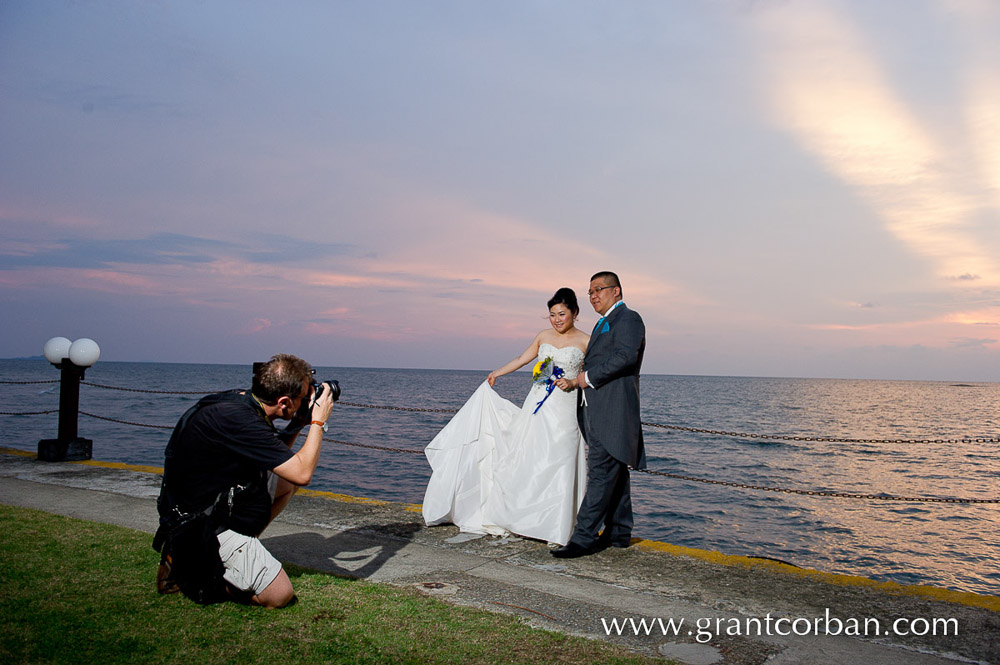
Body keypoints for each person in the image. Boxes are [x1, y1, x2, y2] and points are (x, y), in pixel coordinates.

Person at [153, 354, 335, 608]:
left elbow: (275, 459)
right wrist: (318, 421)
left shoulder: (238, 403)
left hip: (199, 505)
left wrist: (297, 421)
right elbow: (302, 473)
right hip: (195, 524)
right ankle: (194, 576)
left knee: (285, 485)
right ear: (283, 401)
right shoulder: (239, 421)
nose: (307, 401)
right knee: (280, 595)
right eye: (303, 397)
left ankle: (236, 550)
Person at [422, 288, 590, 546]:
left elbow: (590, 375)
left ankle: (557, 527)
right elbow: (523, 359)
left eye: (562, 314)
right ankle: (525, 519)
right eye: (552, 315)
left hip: (566, 408)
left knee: (561, 460)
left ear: (575, 313)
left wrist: (574, 382)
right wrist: (497, 373)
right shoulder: (543, 336)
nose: (557, 319)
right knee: (532, 458)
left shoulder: (585, 341)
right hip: (537, 405)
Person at [552, 271, 645, 558]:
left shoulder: (628, 319)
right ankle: (618, 533)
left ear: (617, 291)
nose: (593, 296)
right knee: (615, 472)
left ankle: (582, 539)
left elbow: (625, 358)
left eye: (599, 289)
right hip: (596, 409)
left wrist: (586, 378)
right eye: (590, 292)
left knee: (600, 474)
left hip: (613, 410)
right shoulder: (603, 322)